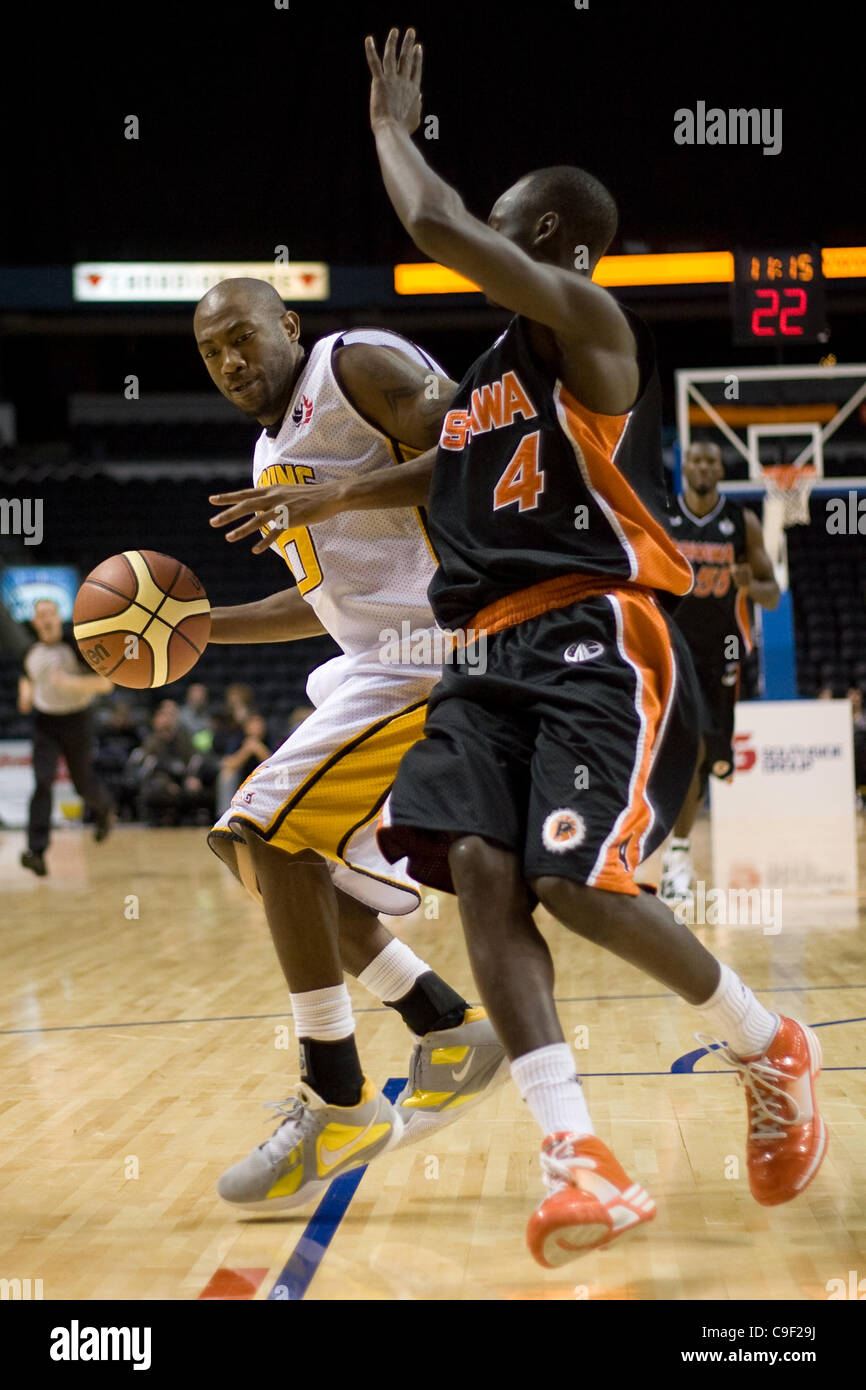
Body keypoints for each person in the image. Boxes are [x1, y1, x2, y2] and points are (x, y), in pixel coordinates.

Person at [361, 28, 827, 1266]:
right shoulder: (486, 378)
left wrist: (392, 131)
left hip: (595, 636)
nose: (488, 245)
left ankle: (764, 1039)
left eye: (511, 228)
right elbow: (446, 462)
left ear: (560, 244)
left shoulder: (589, 322)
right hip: (481, 655)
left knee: (575, 884)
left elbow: (437, 229)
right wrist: (323, 499)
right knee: (475, 865)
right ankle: (578, 1154)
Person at [195, 275, 507, 1211]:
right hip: (380, 662)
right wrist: (194, 629)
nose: (232, 361)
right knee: (261, 856)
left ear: (287, 326)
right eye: (212, 354)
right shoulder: (268, 457)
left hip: (449, 650)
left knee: (266, 829)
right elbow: (321, 601)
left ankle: (338, 1098)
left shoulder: (355, 364)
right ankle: (443, 1023)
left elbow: (477, 450)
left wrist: (343, 494)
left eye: (242, 337)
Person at [659, 440, 779, 905]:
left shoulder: (740, 522)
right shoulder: (664, 517)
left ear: (721, 469)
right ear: (684, 467)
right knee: (688, 752)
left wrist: (755, 583)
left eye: (711, 460)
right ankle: (677, 859)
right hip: (675, 652)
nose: (704, 466)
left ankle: (680, 852)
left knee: (712, 759)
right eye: (696, 459)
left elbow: (772, 595)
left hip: (724, 656)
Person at [17, 597, 114, 876]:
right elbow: (27, 676)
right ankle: (36, 851)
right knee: (42, 781)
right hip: (45, 722)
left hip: (77, 719)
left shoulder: (78, 647)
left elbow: (106, 684)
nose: (46, 619)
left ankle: (105, 809)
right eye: (41, 615)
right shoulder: (29, 651)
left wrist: (71, 683)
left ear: (58, 617)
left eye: (50, 613)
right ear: (35, 622)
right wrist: (25, 694)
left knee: (82, 783)